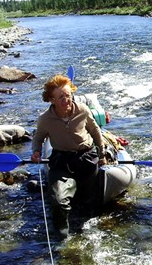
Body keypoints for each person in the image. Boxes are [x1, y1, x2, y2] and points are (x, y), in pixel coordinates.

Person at [31, 74, 107, 238]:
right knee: (58, 201)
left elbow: (95, 131)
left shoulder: (83, 110)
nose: (66, 100)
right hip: (61, 160)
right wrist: (36, 151)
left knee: (88, 201)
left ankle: (87, 229)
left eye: (68, 95)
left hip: (86, 157)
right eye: (61, 97)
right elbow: (38, 138)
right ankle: (62, 236)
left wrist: (101, 153)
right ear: (51, 99)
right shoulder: (45, 119)